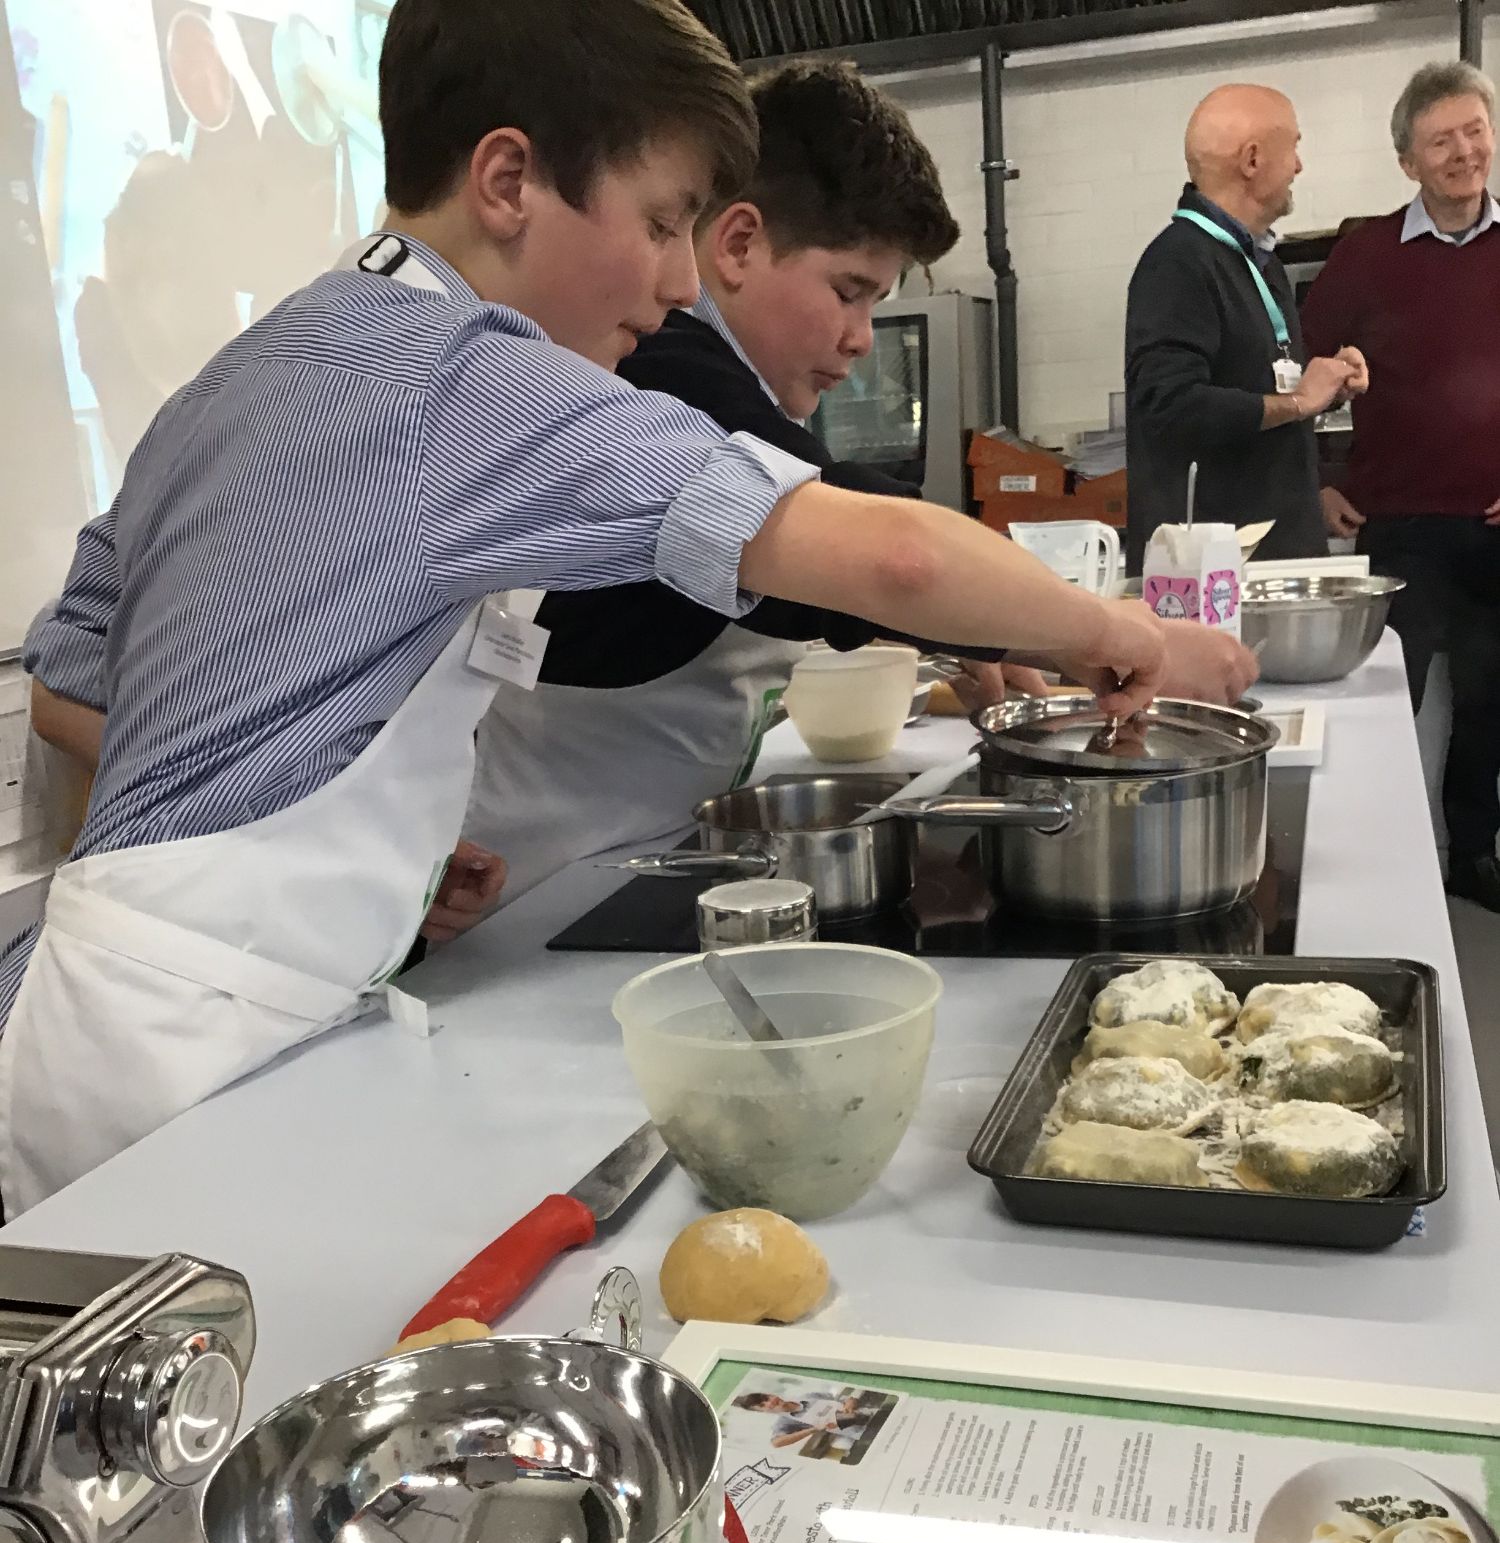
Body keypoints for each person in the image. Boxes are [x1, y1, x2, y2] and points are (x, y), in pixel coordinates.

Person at [8, 0, 1241, 1220]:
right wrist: (1115, 631)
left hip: (84, 1015)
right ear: (506, 181)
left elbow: (71, 683)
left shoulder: (259, 361)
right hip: (208, 1063)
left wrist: (314, 834)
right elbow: (893, 564)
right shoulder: (466, 374)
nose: (670, 287)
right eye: (659, 225)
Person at [466, 60, 1260, 901]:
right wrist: (1106, 633)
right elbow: (887, 557)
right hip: (531, 883)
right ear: (736, 242)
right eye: (848, 293)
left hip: (622, 852)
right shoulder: (666, 367)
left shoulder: (709, 376)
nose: (860, 339)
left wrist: (975, 625)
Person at [1301, 62, 1500, 911]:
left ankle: (1473, 859)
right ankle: (1373, 870)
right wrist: (1314, 480)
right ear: (1407, 162)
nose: (1463, 153)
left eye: (1474, 131)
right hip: (1401, 523)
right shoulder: (1365, 254)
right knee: (1388, 703)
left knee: (1491, 704)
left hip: (1495, 524)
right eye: (1440, 141)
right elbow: (1294, 372)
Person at [1125, 83, 1368, 572]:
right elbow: (1168, 406)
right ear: (1253, 160)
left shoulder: (1259, 262)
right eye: (1294, 147)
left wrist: (1327, 388)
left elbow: (1254, 394)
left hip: (1271, 565)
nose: (1299, 166)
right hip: (1212, 582)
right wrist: (1300, 401)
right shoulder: (1177, 262)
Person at [733, 1387, 862, 1450]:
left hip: (870, 1414)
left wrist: (849, 1404)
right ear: (763, 1412)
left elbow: (848, 1399)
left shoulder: (810, 1396)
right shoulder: (785, 1422)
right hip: (861, 1434)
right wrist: (813, 1429)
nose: (770, 1403)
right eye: (762, 1406)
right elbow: (776, 1443)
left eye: (767, 1398)